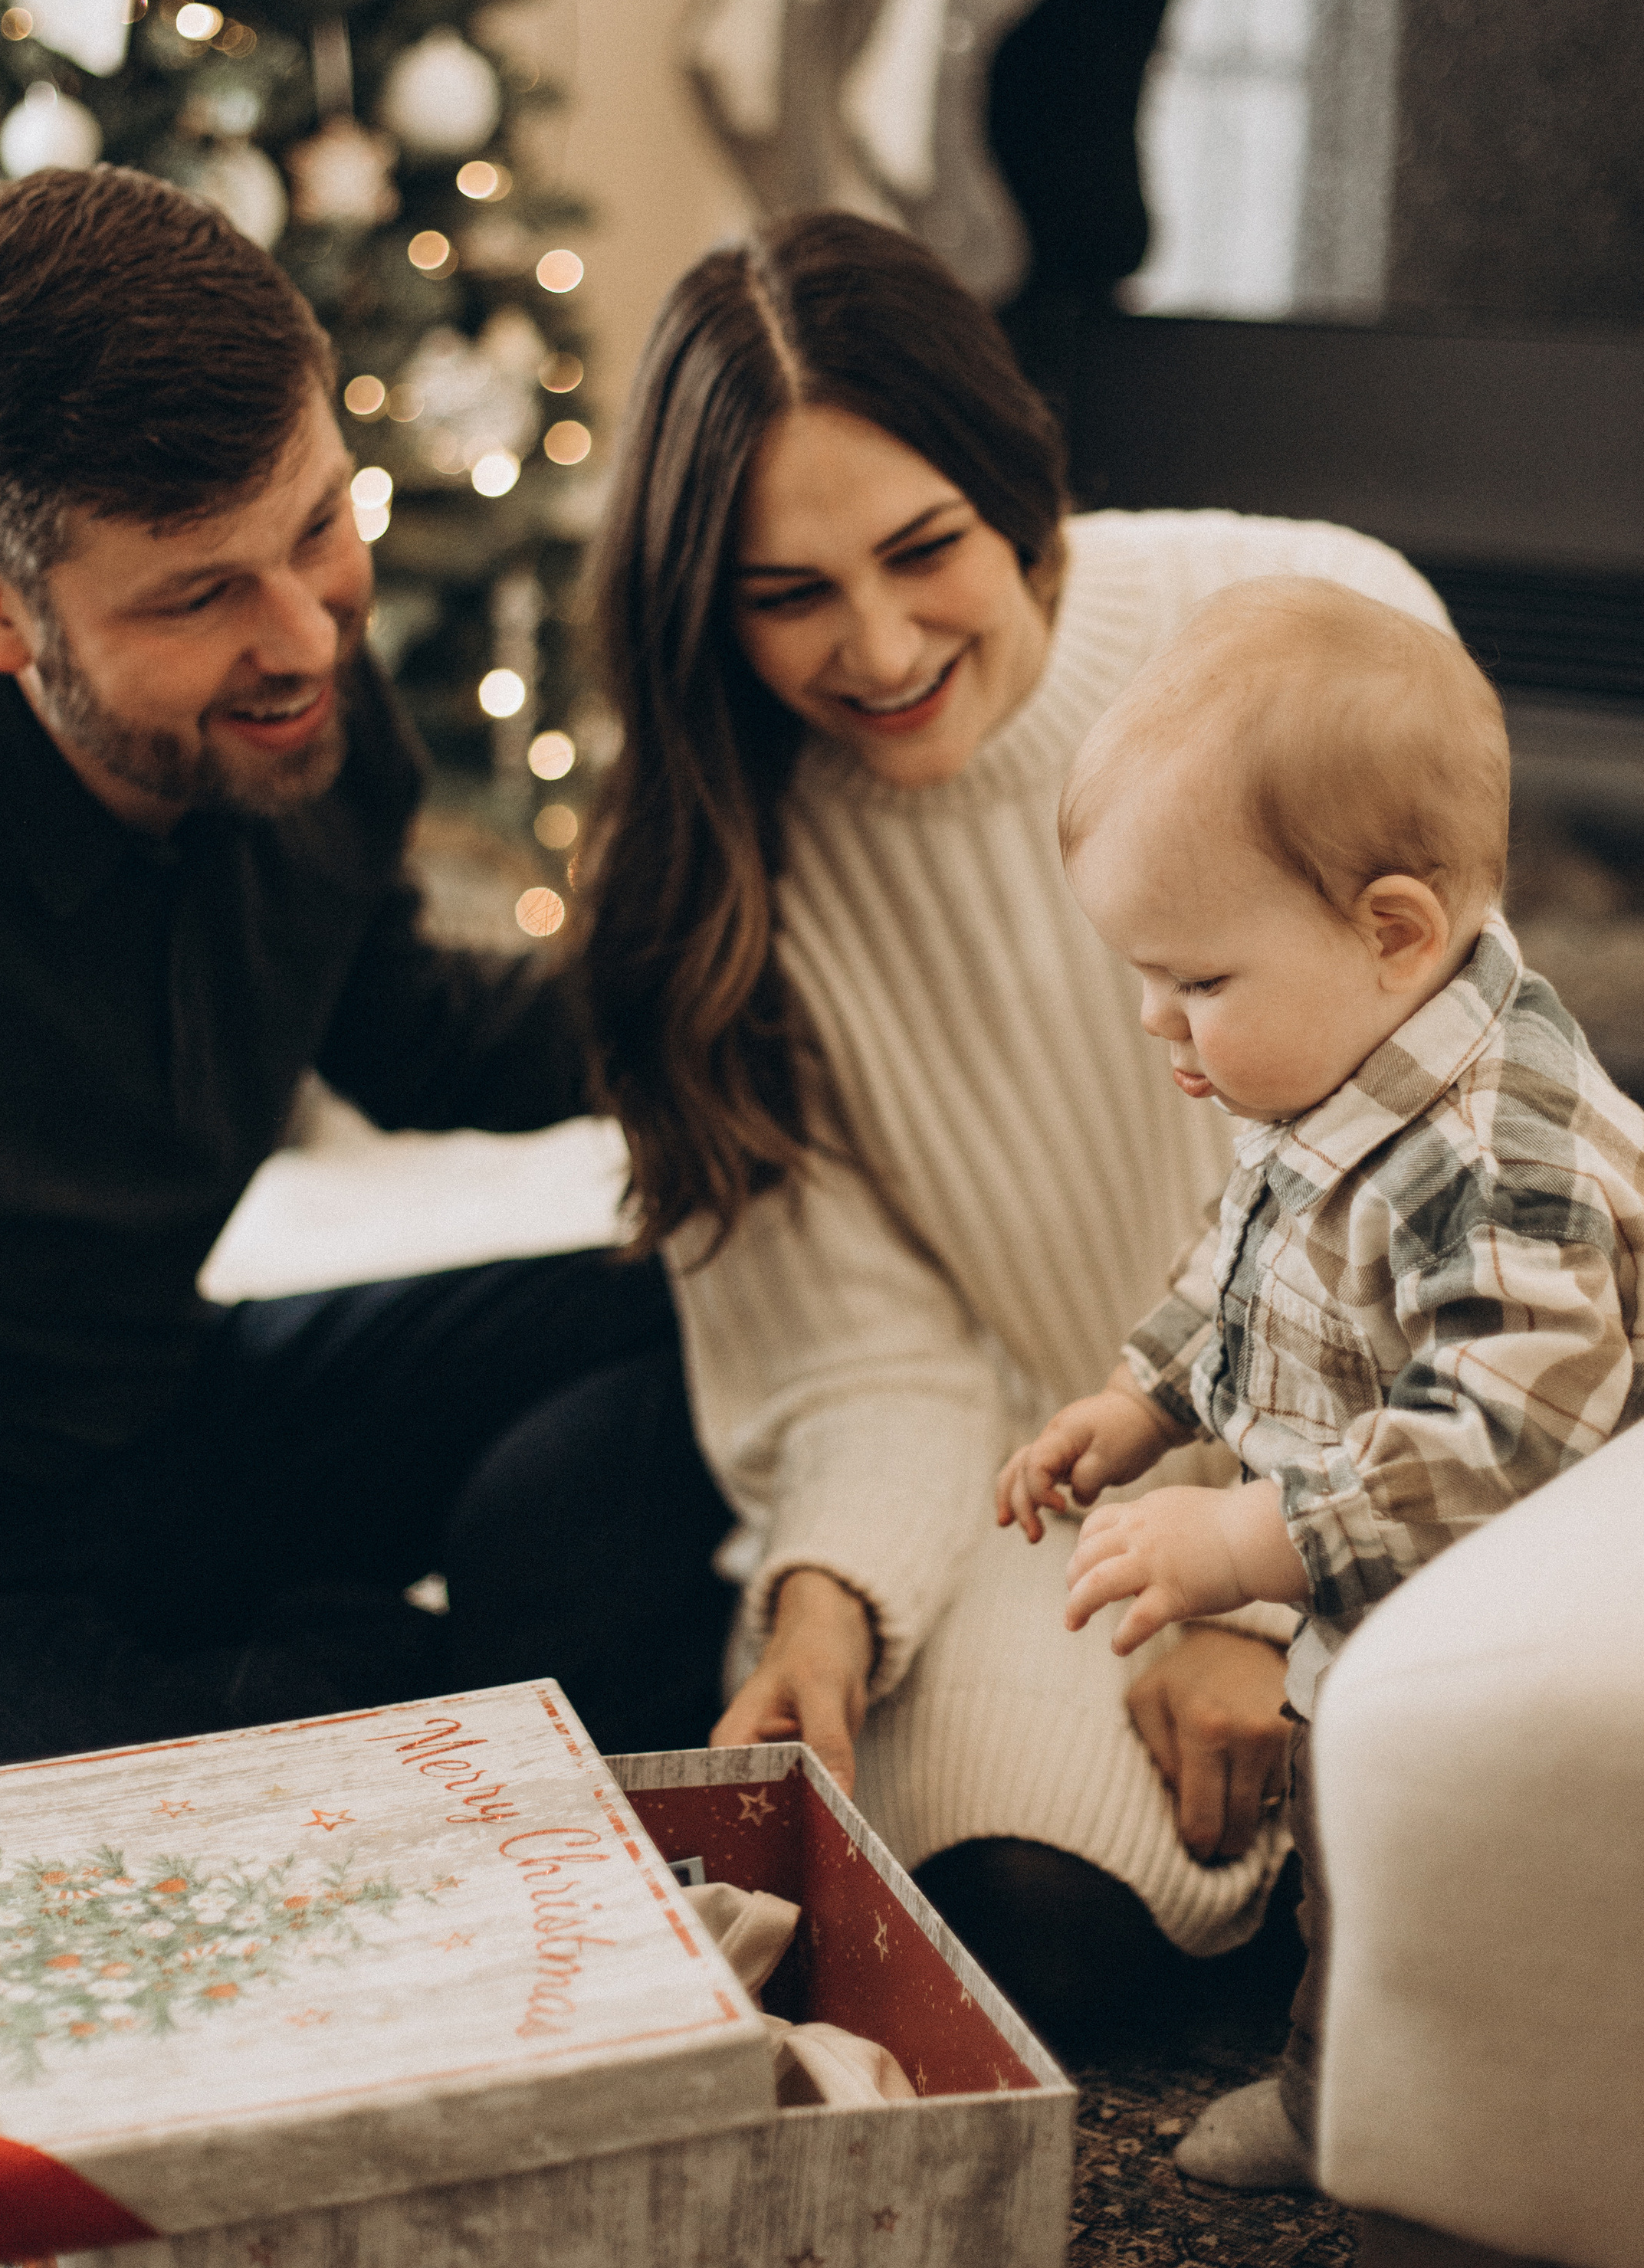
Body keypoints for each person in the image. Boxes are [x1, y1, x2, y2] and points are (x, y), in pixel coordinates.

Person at [0, 168, 733, 2139]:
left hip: (153, 1425)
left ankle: (377, 1708)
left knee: (676, 1313)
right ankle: (370, 1724)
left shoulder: (295, 705)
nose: (302, 629)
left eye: (315, 526)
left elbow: (402, 1026)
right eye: (196, 592)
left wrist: (731, 994)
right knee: (221, 1850)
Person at [579, 208, 1455, 2054]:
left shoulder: (1301, 617)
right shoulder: (717, 870)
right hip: (1057, 1480)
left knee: (1450, 1791)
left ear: (1017, 491)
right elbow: (862, 1353)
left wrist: (1252, 1565)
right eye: (784, 592)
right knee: (1014, 1921)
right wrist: (820, 1614)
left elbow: (1429, 1192)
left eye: (921, 552)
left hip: (1404, 1411)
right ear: (698, 603)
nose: (877, 646)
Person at [998, 575, 1644, 2175]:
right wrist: (1140, 1406)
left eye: (1195, 983)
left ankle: (1457, 2155)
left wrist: (1239, 1545)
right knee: (1343, 1865)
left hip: (1545, 1654)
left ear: (1390, 934)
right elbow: (1244, 1268)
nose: (1157, 1021)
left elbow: (1506, 1437)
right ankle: (1334, 2091)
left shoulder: (1501, 1156)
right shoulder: (1339, 1070)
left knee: (1471, 1913)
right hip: (1396, 1600)